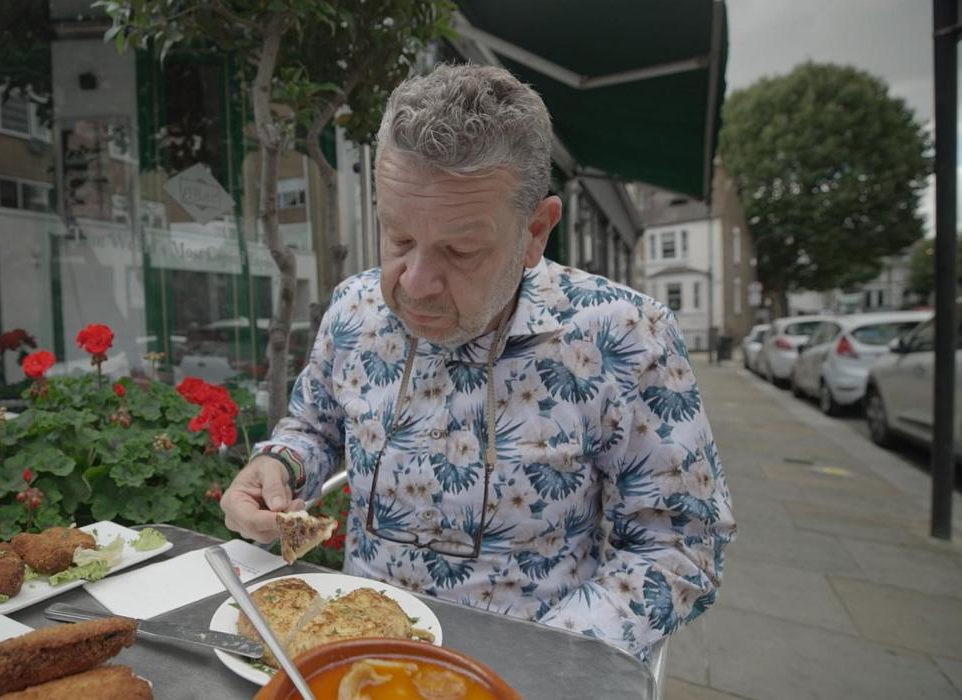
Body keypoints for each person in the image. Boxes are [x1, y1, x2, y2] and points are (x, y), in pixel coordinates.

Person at [220, 64, 736, 660]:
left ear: (536, 231)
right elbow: (314, 427)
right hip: (352, 651)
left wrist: (531, 661)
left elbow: (678, 546)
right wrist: (280, 467)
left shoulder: (623, 336)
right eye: (397, 238)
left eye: (460, 250)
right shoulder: (354, 307)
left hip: (528, 674)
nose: (415, 283)